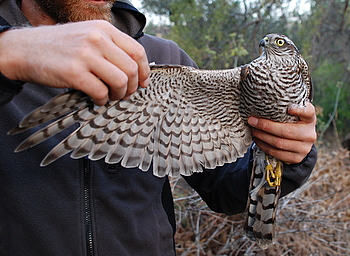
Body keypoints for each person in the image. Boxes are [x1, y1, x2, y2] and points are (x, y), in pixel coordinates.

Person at [0, 0, 317, 255]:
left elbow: (224, 188)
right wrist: (8, 52)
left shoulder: (164, 57)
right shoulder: (8, 51)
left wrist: (288, 153)